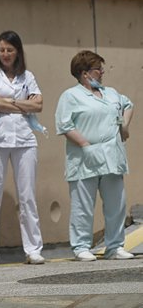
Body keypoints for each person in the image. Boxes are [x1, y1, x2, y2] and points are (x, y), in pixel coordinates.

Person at [55, 50, 135, 262]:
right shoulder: (71, 96)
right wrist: (85, 144)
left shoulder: (111, 93)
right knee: (83, 205)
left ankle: (115, 246)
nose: (102, 72)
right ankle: (81, 246)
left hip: (112, 155)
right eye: (97, 69)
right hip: (85, 156)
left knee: (116, 204)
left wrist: (124, 126)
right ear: (84, 73)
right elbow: (64, 124)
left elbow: (128, 105)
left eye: (101, 68)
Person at [0, 31, 45, 266]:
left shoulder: (27, 76)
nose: (5, 54)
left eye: (10, 50)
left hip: (24, 140)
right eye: (1, 50)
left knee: (27, 196)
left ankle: (33, 249)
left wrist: (11, 103)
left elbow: (39, 105)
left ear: (18, 52)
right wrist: (23, 104)